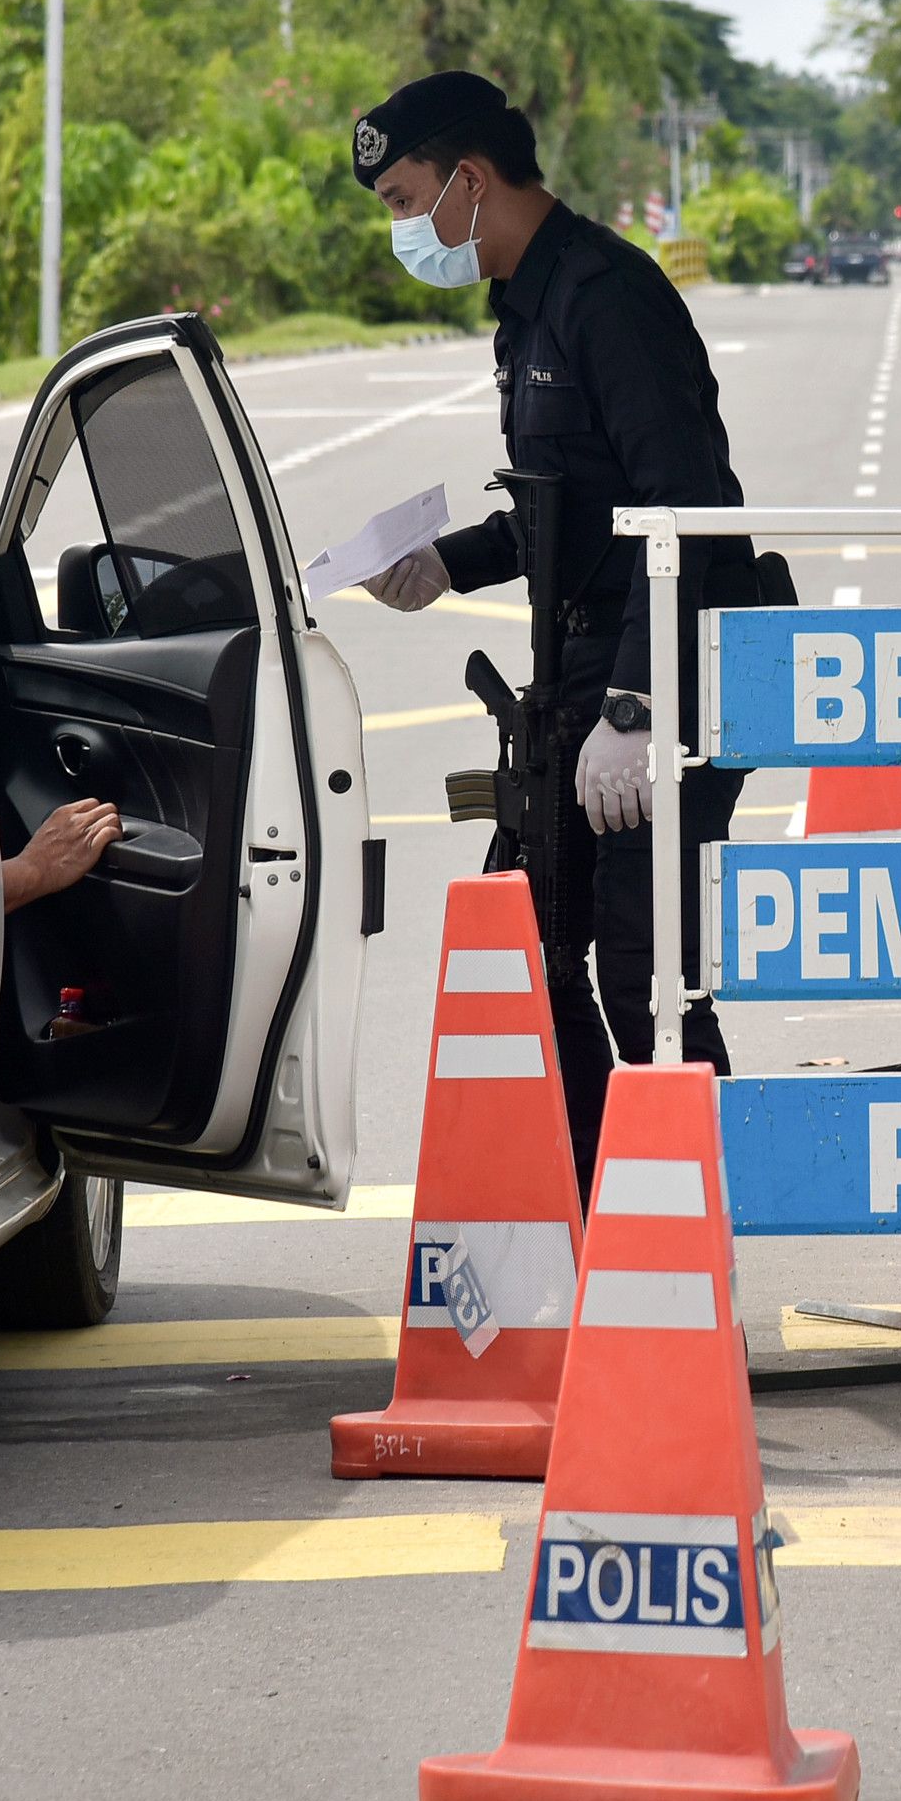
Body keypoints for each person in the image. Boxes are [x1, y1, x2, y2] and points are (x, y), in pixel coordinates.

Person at [349, 71, 760, 1175]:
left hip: (654, 676)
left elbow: (688, 511)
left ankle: (695, 1228)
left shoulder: (606, 297)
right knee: (537, 954)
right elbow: (562, 510)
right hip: (578, 682)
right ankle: (596, 1204)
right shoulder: (523, 307)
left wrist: (635, 705)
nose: (401, 229)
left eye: (403, 200)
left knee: (643, 974)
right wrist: (449, 559)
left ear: (470, 181)